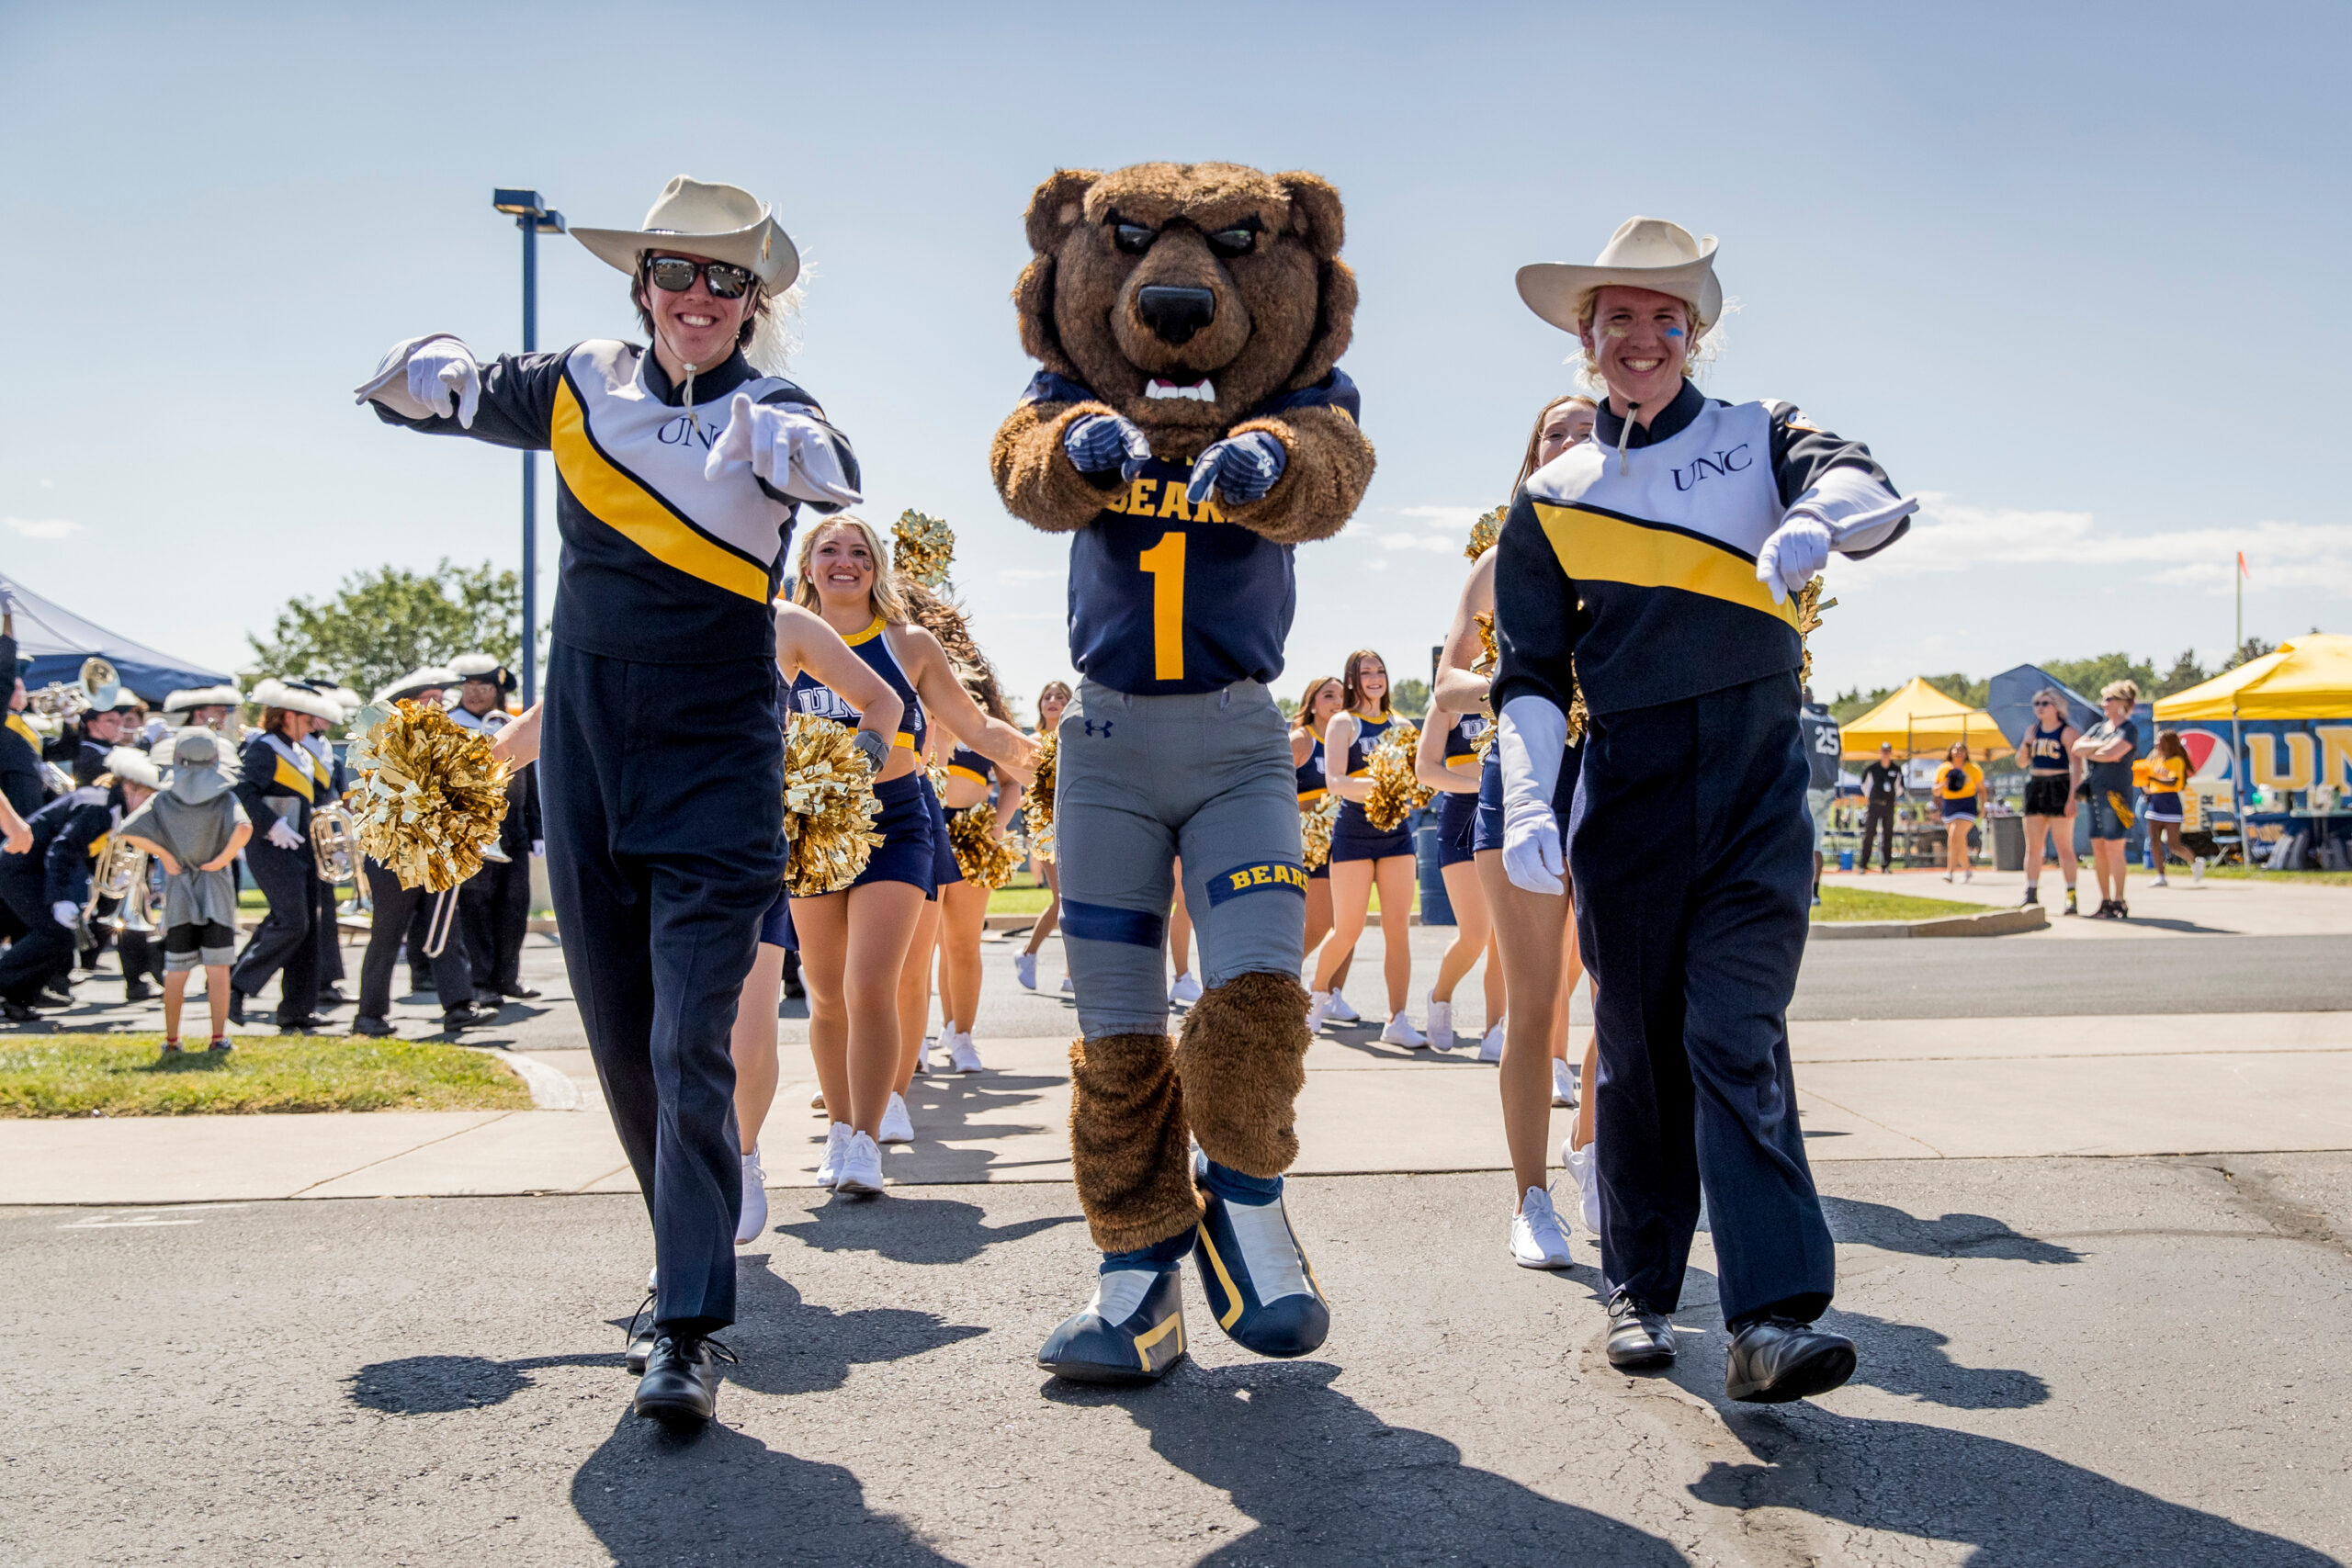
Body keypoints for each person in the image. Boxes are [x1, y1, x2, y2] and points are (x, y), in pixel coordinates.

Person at [359, 175, 861, 1427]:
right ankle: (676, 1261)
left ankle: (688, 1322)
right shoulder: (583, 377)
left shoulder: (766, 401)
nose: (697, 298)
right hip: (587, 748)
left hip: (716, 757)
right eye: (675, 274)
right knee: (625, 1036)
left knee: (688, 1035)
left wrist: (797, 457)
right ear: (640, 284)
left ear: (753, 301)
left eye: (724, 280)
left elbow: (835, 463)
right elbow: (453, 387)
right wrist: (420, 368)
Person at [1498, 215, 1916, 1400]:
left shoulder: (1758, 435)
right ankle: (1636, 1286)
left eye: (1664, 318)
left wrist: (1812, 518)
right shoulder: (1551, 494)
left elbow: (1866, 488)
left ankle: (1770, 1318)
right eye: (1618, 317)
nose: (1641, 337)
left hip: (1753, 785)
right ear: (1586, 337)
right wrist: (1533, 792)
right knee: (1635, 1050)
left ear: (1695, 333)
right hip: (1624, 796)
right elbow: (1530, 668)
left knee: (1734, 1034)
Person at [786, 518, 1032, 1193]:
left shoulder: (909, 643)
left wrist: (1042, 757)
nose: (845, 562)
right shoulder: (783, 637)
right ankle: (838, 1129)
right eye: (829, 551)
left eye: (859, 553)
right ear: (808, 565)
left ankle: (867, 1140)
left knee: (874, 985)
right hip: (813, 824)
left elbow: (974, 724)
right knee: (826, 993)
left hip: (896, 820)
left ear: (877, 567)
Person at [727, 599, 903, 1246]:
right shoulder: (644, 603)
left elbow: (884, 703)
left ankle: (743, 1156)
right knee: (660, 1045)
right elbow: (557, 712)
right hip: (655, 848)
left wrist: (841, 784)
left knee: (750, 1044)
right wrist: (470, 773)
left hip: (753, 852)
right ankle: (684, 1196)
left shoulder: (786, 624)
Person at [1310, 650, 1422, 1044]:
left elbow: (1417, 779)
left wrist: (1417, 789)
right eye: (1365, 672)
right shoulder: (1344, 722)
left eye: (1380, 671)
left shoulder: (1402, 723)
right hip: (1354, 834)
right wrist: (1385, 787)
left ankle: (1397, 1020)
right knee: (1348, 929)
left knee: (1398, 931)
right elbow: (1337, 782)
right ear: (1353, 680)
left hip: (1397, 837)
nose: (1375, 678)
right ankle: (1317, 995)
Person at [118, 732, 250, 1053]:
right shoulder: (224, 798)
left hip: (179, 893)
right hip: (215, 890)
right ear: (217, 759)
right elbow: (244, 828)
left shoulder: (163, 799)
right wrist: (222, 859)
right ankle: (218, 1039)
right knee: (218, 969)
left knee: (176, 969)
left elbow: (129, 830)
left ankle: (172, 1040)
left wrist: (165, 855)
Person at [228, 681, 343, 1032]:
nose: (314, 726)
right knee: (292, 921)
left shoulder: (299, 751)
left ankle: (296, 1011)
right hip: (272, 846)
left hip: (304, 846)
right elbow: (242, 790)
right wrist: (271, 824)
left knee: (308, 929)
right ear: (288, 715)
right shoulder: (264, 748)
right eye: (308, 719)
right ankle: (236, 984)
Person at [934, 674, 1026, 1074]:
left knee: (962, 943)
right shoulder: (923, 708)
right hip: (921, 826)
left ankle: (963, 1036)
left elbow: (1012, 784)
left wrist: (997, 826)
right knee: (917, 951)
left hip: (970, 834)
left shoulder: (986, 723)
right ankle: (914, 1040)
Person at [446, 655, 541, 1001]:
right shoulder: (450, 725)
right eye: (469, 687)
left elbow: (526, 781)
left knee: (514, 905)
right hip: (472, 831)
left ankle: (507, 977)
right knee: (476, 907)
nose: (474, 694)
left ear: (497, 691)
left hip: (512, 830)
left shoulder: (508, 722)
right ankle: (482, 982)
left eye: (483, 687)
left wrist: (537, 831)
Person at [0, 750, 118, 1020]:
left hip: (29, 867)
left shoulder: (106, 803)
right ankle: (11, 989)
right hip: (21, 867)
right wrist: (59, 899)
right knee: (57, 934)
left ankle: (20, 997)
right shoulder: (99, 806)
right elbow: (61, 850)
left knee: (56, 935)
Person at [1415, 704, 1502, 1055]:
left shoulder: (1511, 685)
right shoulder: (1448, 702)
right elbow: (1425, 769)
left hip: (1508, 816)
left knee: (1503, 938)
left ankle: (1494, 1030)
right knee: (1476, 934)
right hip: (1461, 821)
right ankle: (1440, 996)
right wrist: (1480, 784)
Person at [1287, 674, 1358, 1017]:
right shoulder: (1301, 740)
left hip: (1349, 839)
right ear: (1312, 702)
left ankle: (1332, 995)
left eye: (1342, 696)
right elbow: (1272, 787)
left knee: (1349, 923)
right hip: (1313, 844)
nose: (1336, 701)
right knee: (1320, 925)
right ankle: (1278, 979)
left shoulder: (1349, 737)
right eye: (1328, 695)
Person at [1013, 680, 1072, 995]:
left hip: (1077, 825)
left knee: (1074, 900)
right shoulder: (1031, 741)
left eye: (1060, 697)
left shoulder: (1077, 738)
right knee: (1064, 899)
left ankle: (1036, 958)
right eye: (1048, 696)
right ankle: (1034, 957)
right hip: (1047, 828)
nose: (1053, 701)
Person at [2074, 680, 2142, 919]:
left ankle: (2119, 900)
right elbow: (2076, 748)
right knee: (2098, 848)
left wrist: (2096, 750)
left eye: (2109, 699)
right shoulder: (2100, 728)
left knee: (2115, 847)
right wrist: (2100, 747)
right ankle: (2104, 900)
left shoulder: (2128, 729)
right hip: (2095, 793)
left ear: (2122, 703)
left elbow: (2114, 754)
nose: (2104, 704)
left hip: (2118, 797)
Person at [2015, 688, 2082, 915]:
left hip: (2059, 785)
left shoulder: (2067, 732)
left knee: (2064, 846)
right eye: (2037, 704)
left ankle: (2071, 894)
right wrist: (2026, 743)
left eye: (2045, 703)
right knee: (2033, 847)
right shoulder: (2032, 731)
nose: (2040, 707)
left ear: (2056, 706)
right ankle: (2031, 891)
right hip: (2036, 785)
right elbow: (2021, 763)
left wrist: (2072, 797)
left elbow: (2077, 767)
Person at [1797, 689, 1841, 905]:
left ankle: (1807, 892)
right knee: (1816, 843)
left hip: (1811, 784)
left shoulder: (1803, 716)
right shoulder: (1831, 720)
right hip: (1828, 785)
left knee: (1804, 842)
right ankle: (1814, 892)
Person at [2143, 729, 2201, 887]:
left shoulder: (2176, 761)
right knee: (2154, 841)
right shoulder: (2155, 759)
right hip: (2155, 803)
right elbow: (2146, 781)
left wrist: (2153, 778)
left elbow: (2173, 782)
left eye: (2160, 740)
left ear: (2168, 743)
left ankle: (2195, 862)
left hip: (2171, 803)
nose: (2156, 743)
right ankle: (2161, 875)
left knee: (2173, 844)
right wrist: (2143, 780)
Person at [1935, 741, 1984, 883]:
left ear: (1966, 753)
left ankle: (1949, 872)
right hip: (1949, 805)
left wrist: (1983, 806)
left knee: (1954, 836)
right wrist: (1943, 784)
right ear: (1950, 752)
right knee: (1959, 840)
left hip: (1967, 805)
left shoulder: (1973, 769)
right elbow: (1936, 791)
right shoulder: (1943, 769)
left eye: (1962, 749)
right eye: (1956, 749)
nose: (1958, 752)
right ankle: (1967, 870)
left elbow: (1982, 789)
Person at [1859, 741, 1903, 873]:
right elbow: (1865, 786)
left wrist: (1890, 798)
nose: (1885, 754)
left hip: (1888, 806)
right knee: (1869, 833)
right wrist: (1871, 798)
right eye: (1883, 751)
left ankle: (1886, 865)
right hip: (1874, 805)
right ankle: (1863, 864)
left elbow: (1899, 788)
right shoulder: (1872, 768)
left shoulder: (1896, 769)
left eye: (1888, 751)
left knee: (1887, 834)